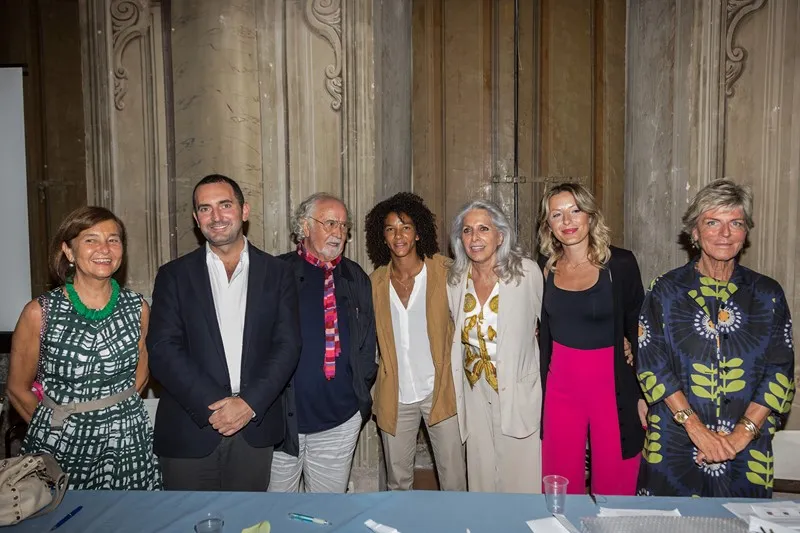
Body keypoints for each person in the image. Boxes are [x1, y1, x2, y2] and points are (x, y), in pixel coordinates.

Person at [636, 179, 795, 498]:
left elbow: (779, 371)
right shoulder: (665, 291)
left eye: (735, 223)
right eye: (713, 222)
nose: (725, 233)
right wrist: (697, 431)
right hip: (676, 441)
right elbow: (653, 366)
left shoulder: (768, 295)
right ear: (694, 232)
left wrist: (740, 436)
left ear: (745, 232)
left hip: (747, 447)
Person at [147, 174, 301, 491]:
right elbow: (163, 350)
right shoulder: (173, 275)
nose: (216, 217)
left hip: (253, 426)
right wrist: (216, 405)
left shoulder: (278, 273)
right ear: (196, 218)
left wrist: (247, 404)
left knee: (247, 522)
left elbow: (287, 346)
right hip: (189, 426)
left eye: (225, 205)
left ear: (244, 210)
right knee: (187, 523)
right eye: (205, 209)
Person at [6, 206, 161, 490]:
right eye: (91, 239)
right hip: (61, 446)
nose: (104, 248)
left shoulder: (138, 308)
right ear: (69, 251)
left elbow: (140, 375)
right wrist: (56, 426)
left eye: (113, 239)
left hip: (127, 441)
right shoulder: (40, 312)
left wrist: (112, 415)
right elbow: (17, 387)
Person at [536, 183, 646, 496]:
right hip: (560, 388)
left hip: (611, 388)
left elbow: (639, 330)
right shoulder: (546, 270)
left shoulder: (621, 265)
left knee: (616, 483)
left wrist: (643, 393)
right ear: (549, 225)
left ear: (590, 216)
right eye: (557, 214)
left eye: (575, 210)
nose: (567, 221)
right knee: (559, 482)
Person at [268, 193, 377, 493]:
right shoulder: (275, 273)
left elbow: (368, 345)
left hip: (339, 422)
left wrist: (358, 401)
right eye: (330, 223)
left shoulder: (355, 277)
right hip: (281, 424)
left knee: (327, 515)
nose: (338, 233)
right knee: (277, 514)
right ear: (304, 226)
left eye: (343, 226)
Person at [365, 192, 466, 491]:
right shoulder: (375, 283)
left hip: (441, 390)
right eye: (390, 228)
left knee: (454, 480)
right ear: (382, 237)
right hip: (395, 394)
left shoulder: (445, 271)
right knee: (397, 483)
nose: (399, 235)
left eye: (406, 226)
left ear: (418, 232)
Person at [447, 199, 543, 493]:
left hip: (517, 386)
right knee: (481, 474)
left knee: (520, 475)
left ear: (500, 236)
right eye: (467, 231)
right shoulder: (455, 280)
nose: (474, 238)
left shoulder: (526, 273)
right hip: (475, 389)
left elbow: (548, 326)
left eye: (483, 229)